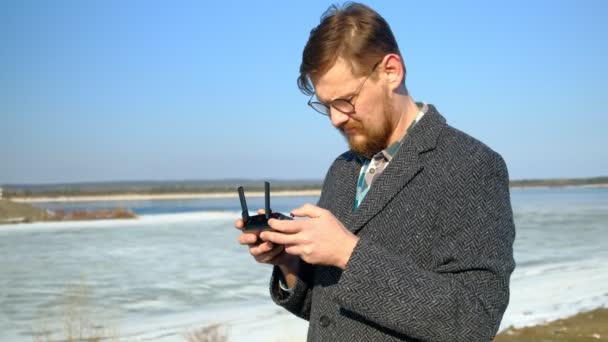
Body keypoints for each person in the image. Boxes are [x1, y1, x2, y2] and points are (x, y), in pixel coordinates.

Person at [235, 3, 515, 341]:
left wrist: (348, 254)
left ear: (391, 71)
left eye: (345, 100)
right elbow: (328, 312)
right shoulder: (342, 169)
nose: (336, 118)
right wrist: (289, 265)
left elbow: (474, 320)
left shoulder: (470, 165)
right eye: (326, 106)